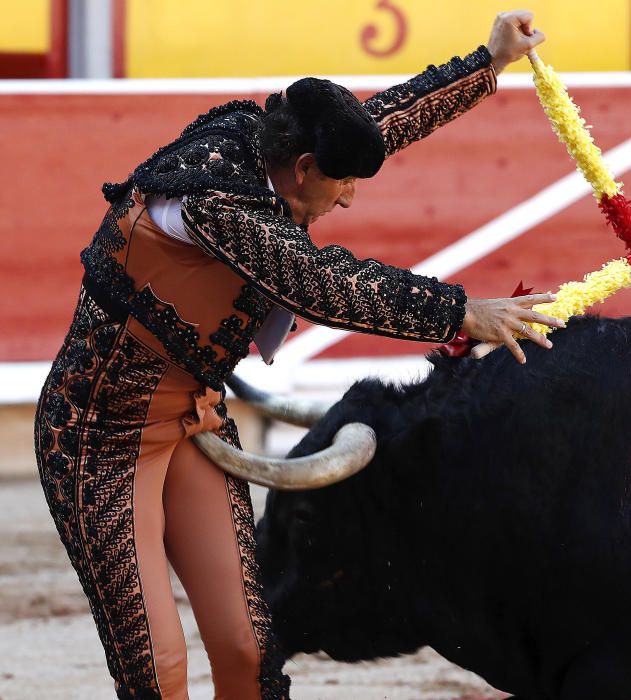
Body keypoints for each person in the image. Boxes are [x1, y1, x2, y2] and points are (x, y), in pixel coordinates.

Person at [34, 10, 561, 699]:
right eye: (342, 185)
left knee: (250, 650)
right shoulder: (214, 201)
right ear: (305, 167)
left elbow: (381, 125)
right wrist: (460, 311)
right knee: (154, 666)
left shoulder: (279, 151)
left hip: (194, 425)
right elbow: (317, 284)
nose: (346, 199)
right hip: (95, 441)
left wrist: (486, 64)